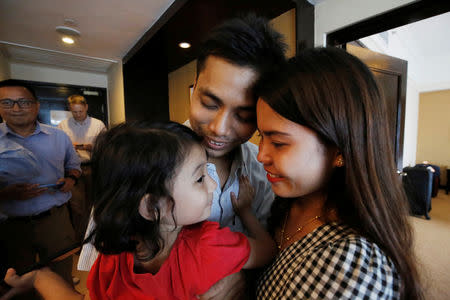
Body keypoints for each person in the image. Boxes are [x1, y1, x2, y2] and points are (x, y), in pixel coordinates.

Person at [2, 121, 276, 300]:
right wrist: (246, 212)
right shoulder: (209, 245)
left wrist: (41, 277)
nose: (213, 184)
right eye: (200, 177)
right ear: (151, 205)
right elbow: (267, 251)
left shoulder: (113, 258)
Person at [255, 47, 422, 299]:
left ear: (340, 149)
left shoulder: (353, 268)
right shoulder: (285, 202)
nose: (261, 156)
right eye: (261, 136)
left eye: (279, 143)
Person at [0, 82, 81, 298]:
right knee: (19, 278)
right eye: (7, 102)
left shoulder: (58, 137)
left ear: (36, 106)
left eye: (23, 102)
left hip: (55, 218)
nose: (16, 108)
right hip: (12, 224)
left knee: (62, 273)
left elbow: (74, 166)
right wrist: (6, 194)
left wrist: (71, 179)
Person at [58, 94, 106, 242]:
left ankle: (96, 238)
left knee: (95, 204)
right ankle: (80, 242)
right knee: (77, 208)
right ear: (70, 110)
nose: (78, 114)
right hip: (72, 171)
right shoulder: (63, 126)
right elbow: (59, 148)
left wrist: (81, 146)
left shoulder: (98, 125)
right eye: (74, 112)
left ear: (86, 107)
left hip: (93, 168)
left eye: (81, 111)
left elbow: (105, 147)